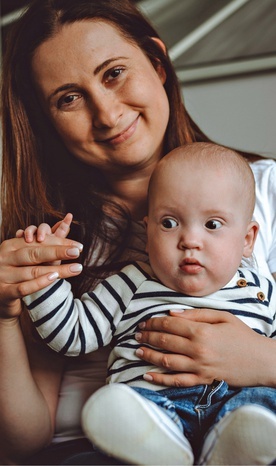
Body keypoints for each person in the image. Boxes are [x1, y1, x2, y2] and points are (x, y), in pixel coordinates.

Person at [0, 0, 276, 464]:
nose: (106, 114)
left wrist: (263, 362)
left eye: (113, 73)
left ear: (157, 61)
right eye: (69, 98)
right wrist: (4, 317)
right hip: (102, 447)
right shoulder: (50, 243)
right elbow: (23, 443)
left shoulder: (266, 191)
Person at [23, 142, 276, 465]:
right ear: (148, 231)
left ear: (247, 239)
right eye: (169, 223)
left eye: (212, 225)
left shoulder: (262, 290)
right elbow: (72, 335)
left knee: (263, 404)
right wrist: (44, 278)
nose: (190, 241)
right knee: (121, 405)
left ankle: (239, 442)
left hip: (236, 407)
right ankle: (157, 447)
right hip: (154, 410)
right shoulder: (133, 282)